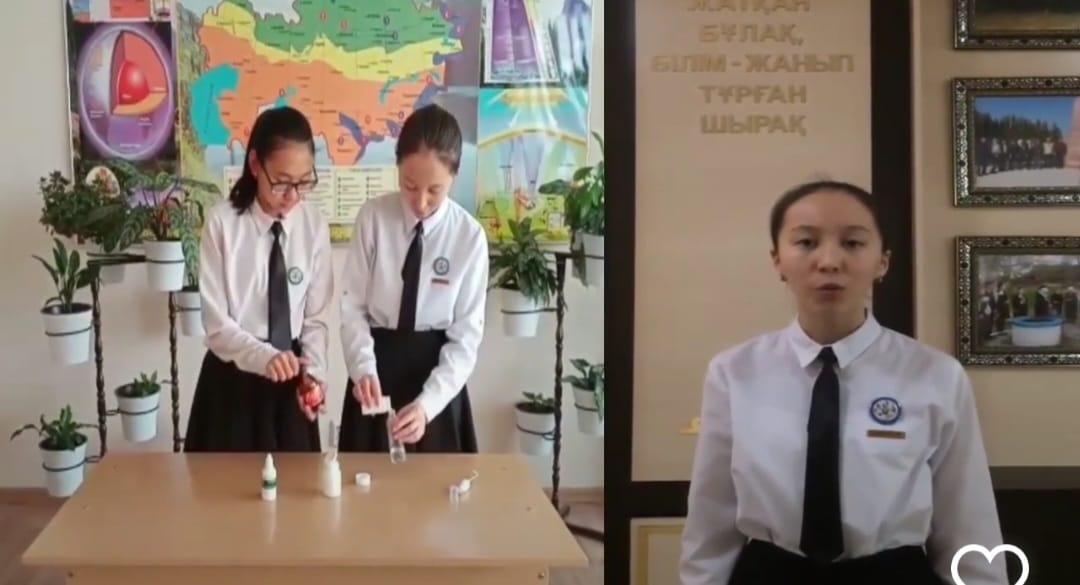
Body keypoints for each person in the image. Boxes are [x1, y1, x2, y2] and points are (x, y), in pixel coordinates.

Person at [680, 181, 1008, 585]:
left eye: (853, 243)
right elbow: (711, 515)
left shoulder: (936, 375)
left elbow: (967, 516)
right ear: (777, 260)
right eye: (806, 242)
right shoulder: (734, 372)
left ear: (882, 262)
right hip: (771, 571)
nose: (829, 261)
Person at [338, 103, 488, 453]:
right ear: (397, 167)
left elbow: (465, 340)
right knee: (366, 480)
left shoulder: (468, 237)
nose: (420, 202)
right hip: (376, 369)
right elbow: (352, 308)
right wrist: (362, 370)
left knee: (438, 485)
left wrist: (427, 406)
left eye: (434, 190)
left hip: (437, 378)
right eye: (409, 185)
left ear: (454, 176)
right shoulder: (373, 219)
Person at [185, 106, 333, 452]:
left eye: (303, 182)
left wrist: (314, 375)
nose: (293, 195)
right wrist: (264, 357)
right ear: (255, 165)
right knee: (226, 483)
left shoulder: (313, 226)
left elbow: (315, 320)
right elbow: (217, 325)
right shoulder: (222, 224)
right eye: (281, 182)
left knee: (297, 483)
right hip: (232, 381)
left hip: (291, 379)